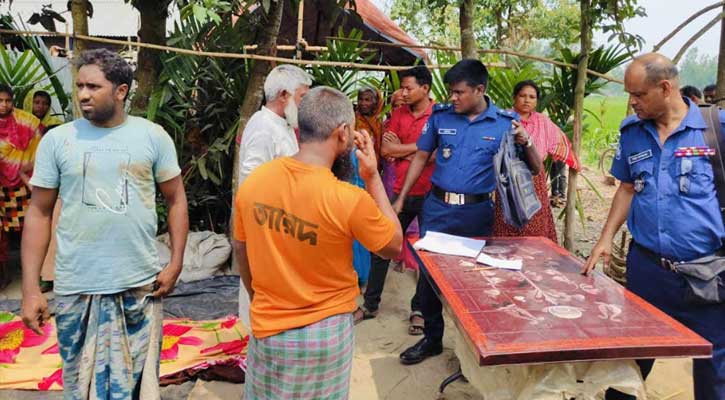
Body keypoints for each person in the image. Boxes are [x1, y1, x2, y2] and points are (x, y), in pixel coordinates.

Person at [20, 49, 189, 399]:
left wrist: (175, 263)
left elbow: (176, 200)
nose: (82, 94)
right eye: (79, 85)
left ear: (121, 91)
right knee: (78, 385)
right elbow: (39, 213)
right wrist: (31, 289)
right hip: (76, 286)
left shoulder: (152, 137)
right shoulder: (58, 140)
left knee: (138, 385)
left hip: (139, 287)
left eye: (93, 86)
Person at [233, 86, 402, 399]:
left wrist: (260, 298)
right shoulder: (349, 198)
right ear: (343, 132)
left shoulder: (255, 182)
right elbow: (393, 245)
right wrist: (373, 178)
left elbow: (241, 248)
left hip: (267, 328)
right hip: (324, 334)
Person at [584, 53, 725, 400]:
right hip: (647, 270)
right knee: (629, 358)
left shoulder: (716, 129)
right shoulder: (633, 132)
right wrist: (605, 239)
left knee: (713, 367)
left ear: (665, 87)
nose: (631, 103)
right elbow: (627, 188)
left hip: (707, 274)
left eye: (638, 94)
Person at [393, 59, 543, 365]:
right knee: (429, 279)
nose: (453, 98)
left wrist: (525, 141)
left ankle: (469, 350)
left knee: (472, 283)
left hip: (475, 213)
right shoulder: (441, 118)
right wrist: (401, 198)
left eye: (460, 92)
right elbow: (421, 155)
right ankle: (432, 339)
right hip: (436, 210)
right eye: (451, 91)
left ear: (479, 90)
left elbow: (536, 168)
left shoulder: (504, 123)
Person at [354, 66, 436, 337]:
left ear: (425, 88)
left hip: (430, 195)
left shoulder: (438, 116)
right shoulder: (397, 115)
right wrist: (422, 150)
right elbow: (387, 150)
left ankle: (419, 310)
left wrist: (410, 152)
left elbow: (438, 155)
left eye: (408, 87)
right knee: (381, 246)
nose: (402, 92)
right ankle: (370, 304)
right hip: (398, 193)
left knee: (426, 256)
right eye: (402, 87)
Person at [236, 64, 312, 327]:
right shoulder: (263, 127)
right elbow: (251, 183)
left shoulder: (282, 125)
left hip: (283, 225)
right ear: (283, 95)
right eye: (302, 97)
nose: (305, 105)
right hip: (267, 227)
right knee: (261, 304)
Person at [494, 80, 580, 242]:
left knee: (535, 228)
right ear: (514, 97)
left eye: (532, 97)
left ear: (537, 101)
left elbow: (560, 142)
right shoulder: (503, 119)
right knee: (506, 225)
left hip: (534, 184)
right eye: (523, 96)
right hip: (508, 182)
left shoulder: (543, 122)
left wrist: (574, 161)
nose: (527, 100)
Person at [0, 83, 42, 289]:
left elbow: (39, 151)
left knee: (31, 229)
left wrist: (26, 172)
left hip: (24, 186)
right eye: (0, 101)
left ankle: (34, 273)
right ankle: (4, 274)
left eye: (7, 100)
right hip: (0, 188)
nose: (4, 105)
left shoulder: (27, 122)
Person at [355, 86, 384, 160]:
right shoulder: (352, 120)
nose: (363, 103)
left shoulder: (381, 123)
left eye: (367, 100)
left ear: (376, 102)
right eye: (360, 99)